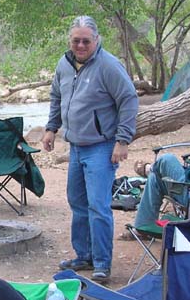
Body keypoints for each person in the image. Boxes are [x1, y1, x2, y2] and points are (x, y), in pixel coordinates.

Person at [43, 16, 138, 283]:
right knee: (78, 203)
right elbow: (56, 96)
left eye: (86, 40)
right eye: (76, 40)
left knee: (98, 206)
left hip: (101, 146)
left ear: (96, 40)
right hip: (76, 146)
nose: (81, 45)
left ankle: (102, 263)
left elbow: (129, 99)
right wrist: (51, 127)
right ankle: (84, 255)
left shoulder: (108, 65)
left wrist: (123, 140)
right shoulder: (64, 63)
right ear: (69, 41)